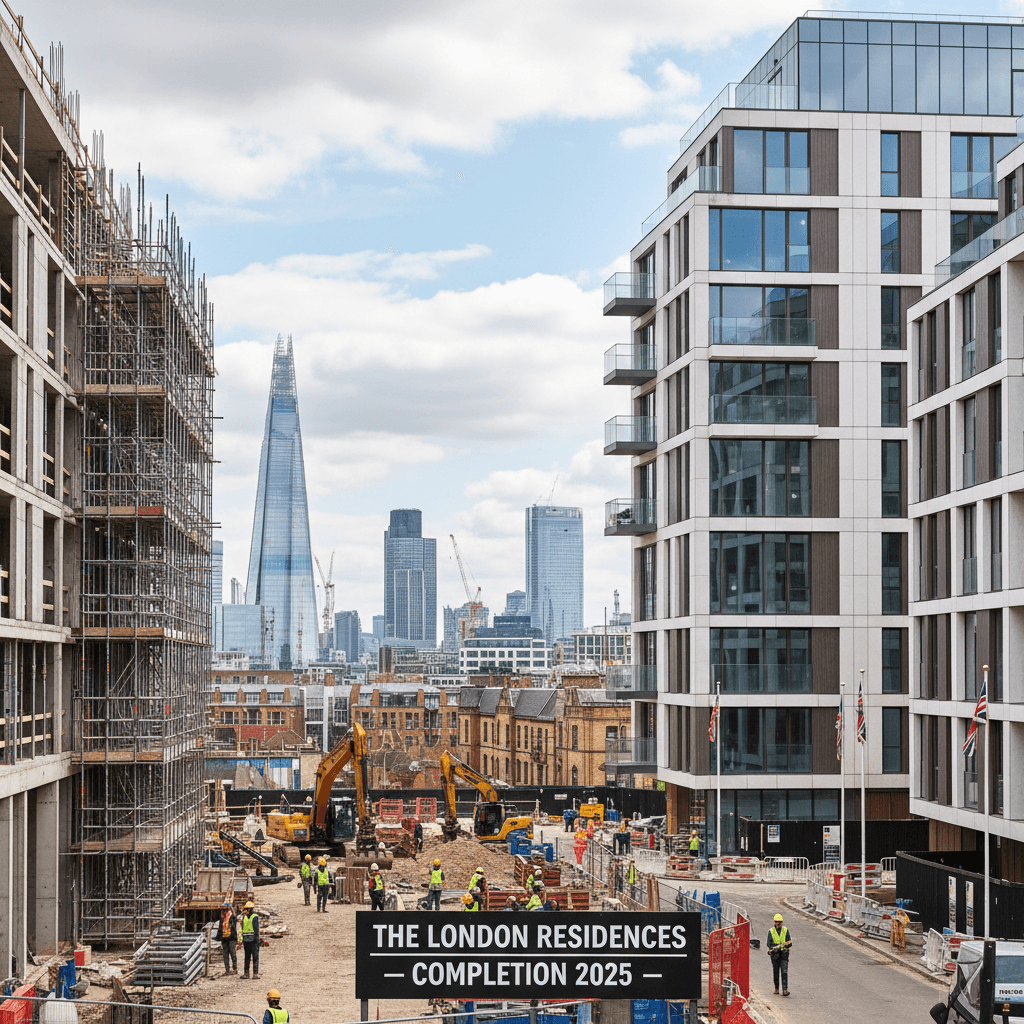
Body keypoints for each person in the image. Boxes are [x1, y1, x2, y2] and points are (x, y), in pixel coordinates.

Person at [767, 913, 793, 996]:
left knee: (784, 972)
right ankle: (776, 988)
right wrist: (775, 948)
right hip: (775, 955)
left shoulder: (785, 930)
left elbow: (789, 942)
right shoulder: (771, 931)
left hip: (784, 954)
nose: (778, 924)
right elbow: (769, 944)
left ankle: (785, 989)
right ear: (774, 922)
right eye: (777, 922)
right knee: (776, 972)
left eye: (780, 922)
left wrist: (785, 945)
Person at [240, 900, 260, 980]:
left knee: (249, 957)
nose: (244, 911)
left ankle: (248, 973)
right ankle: (253, 974)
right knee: (253, 957)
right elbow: (255, 929)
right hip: (251, 940)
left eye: (245, 909)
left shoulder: (247, 918)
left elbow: (254, 929)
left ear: (248, 909)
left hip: (248, 940)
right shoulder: (251, 917)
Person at [218, 900, 237, 975]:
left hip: (231, 938)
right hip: (224, 938)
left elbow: (233, 928)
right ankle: (227, 970)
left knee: (232, 953)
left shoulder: (232, 917)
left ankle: (234, 968)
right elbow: (221, 928)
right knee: (225, 954)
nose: (222, 911)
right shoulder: (223, 918)